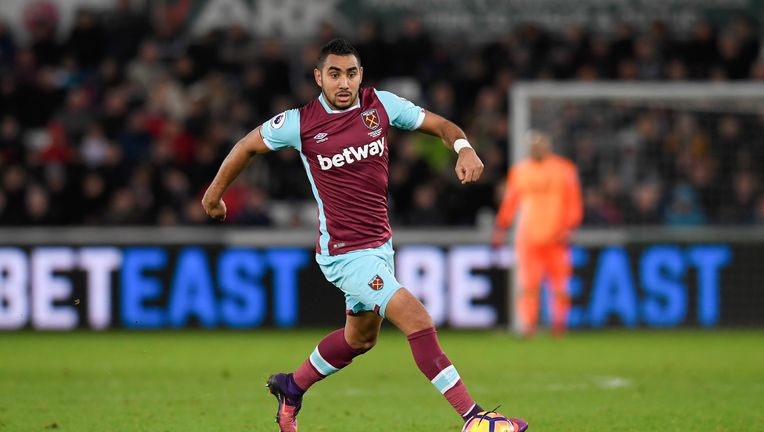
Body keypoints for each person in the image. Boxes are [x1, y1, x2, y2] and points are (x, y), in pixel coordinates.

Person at [202, 39, 528, 432]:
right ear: (318, 77)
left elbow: (441, 125)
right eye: (335, 74)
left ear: (361, 75)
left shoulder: (382, 106)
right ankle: (474, 418)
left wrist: (464, 147)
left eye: (351, 73)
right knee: (416, 317)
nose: (344, 82)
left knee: (359, 340)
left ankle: (292, 386)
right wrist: (214, 195)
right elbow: (246, 147)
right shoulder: (299, 123)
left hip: (379, 246)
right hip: (344, 254)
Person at [492, 131, 583, 337]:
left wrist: (570, 227)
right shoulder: (520, 171)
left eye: (539, 145)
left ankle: (559, 326)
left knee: (560, 285)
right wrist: (501, 226)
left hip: (556, 237)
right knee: (528, 284)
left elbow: (573, 202)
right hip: (528, 238)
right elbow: (510, 202)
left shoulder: (564, 169)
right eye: (532, 146)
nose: (536, 149)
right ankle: (528, 326)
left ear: (548, 146)